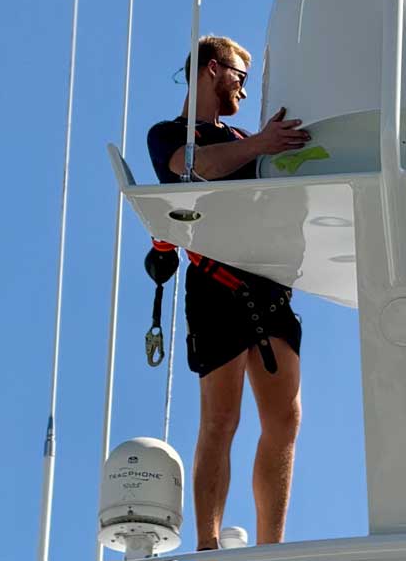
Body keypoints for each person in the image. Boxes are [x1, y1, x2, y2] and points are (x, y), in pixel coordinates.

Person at [147, 35, 311, 549]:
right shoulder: (169, 134)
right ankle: (209, 547)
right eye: (239, 76)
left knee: (285, 419)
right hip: (218, 283)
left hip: (268, 286)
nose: (243, 87)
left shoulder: (243, 134)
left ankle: (270, 549)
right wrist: (260, 144)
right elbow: (190, 167)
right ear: (212, 70)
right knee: (221, 418)